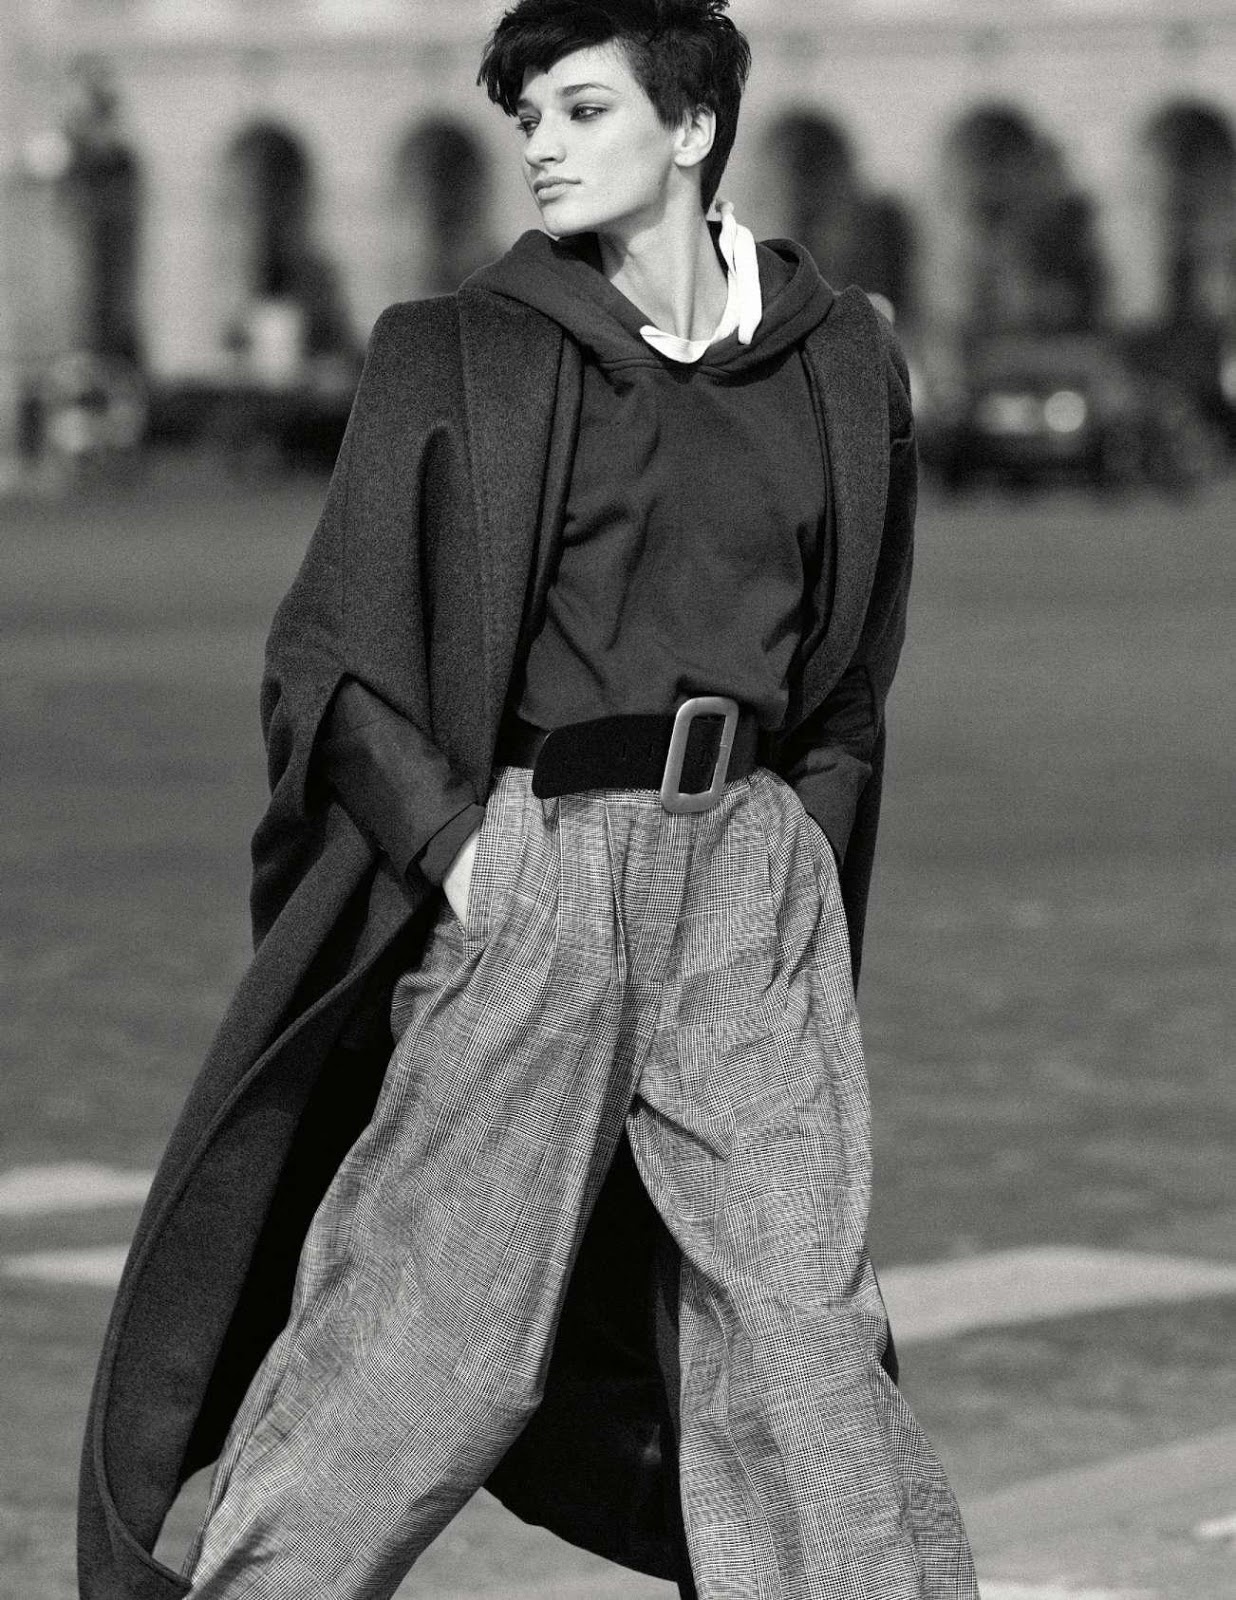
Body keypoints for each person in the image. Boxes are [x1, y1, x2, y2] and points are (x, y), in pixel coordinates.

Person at [77, 2, 978, 1596]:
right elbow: (330, 658)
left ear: (691, 128)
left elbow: (849, 675)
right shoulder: (459, 351)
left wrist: (800, 872)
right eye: (529, 119)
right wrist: (463, 857)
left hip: (750, 878)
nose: (543, 148)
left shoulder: (840, 362)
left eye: (581, 109)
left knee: (805, 1332)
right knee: (433, 1343)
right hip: (540, 871)